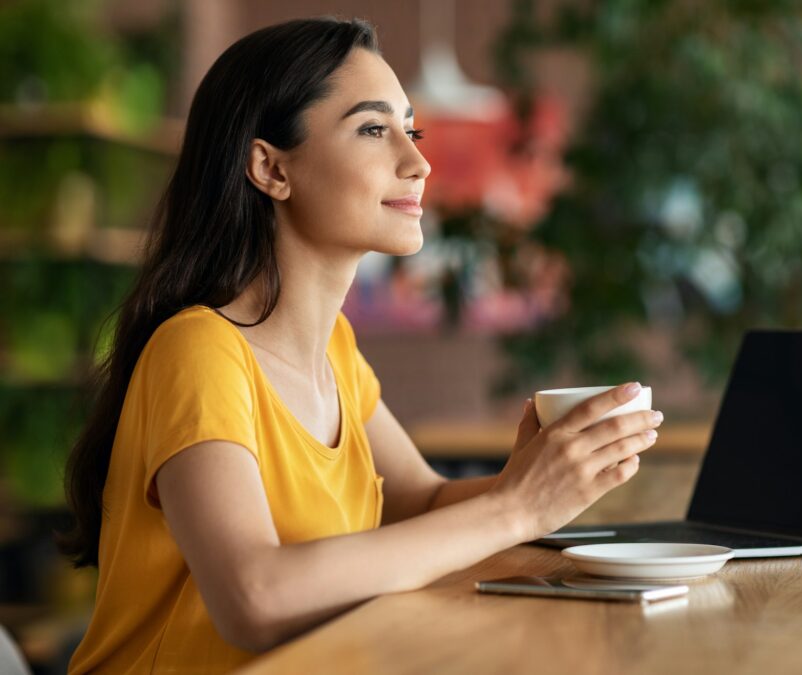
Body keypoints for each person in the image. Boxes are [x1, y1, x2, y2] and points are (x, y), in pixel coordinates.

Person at [60, 16, 663, 674]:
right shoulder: (198, 351)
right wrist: (514, 507)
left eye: (413, 128)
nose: (419, 161)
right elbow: (253, 597)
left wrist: (548, 478)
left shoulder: (334, 351)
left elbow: (422, 502)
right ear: (269, 166)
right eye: (375, 129)